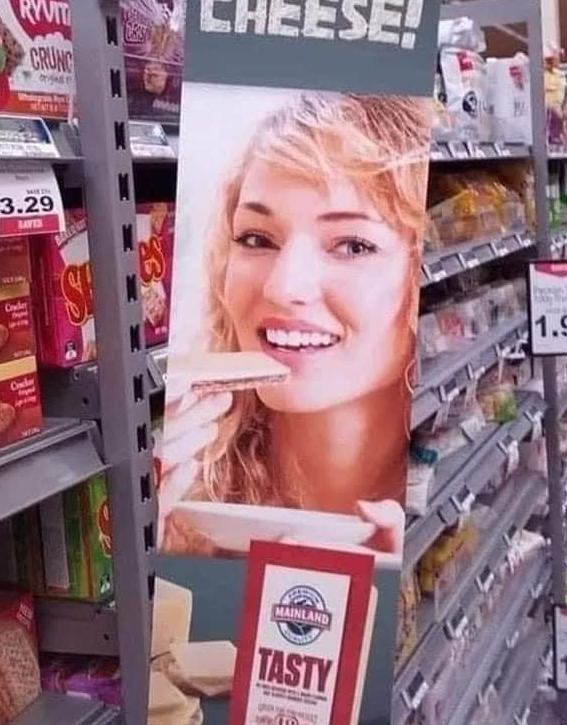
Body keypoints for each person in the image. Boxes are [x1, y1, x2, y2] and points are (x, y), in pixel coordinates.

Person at [158, 91, 431, 558]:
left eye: (352, 245)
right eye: (256, 238)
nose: (283, 287)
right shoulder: (182, 500)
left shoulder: (454, 475)